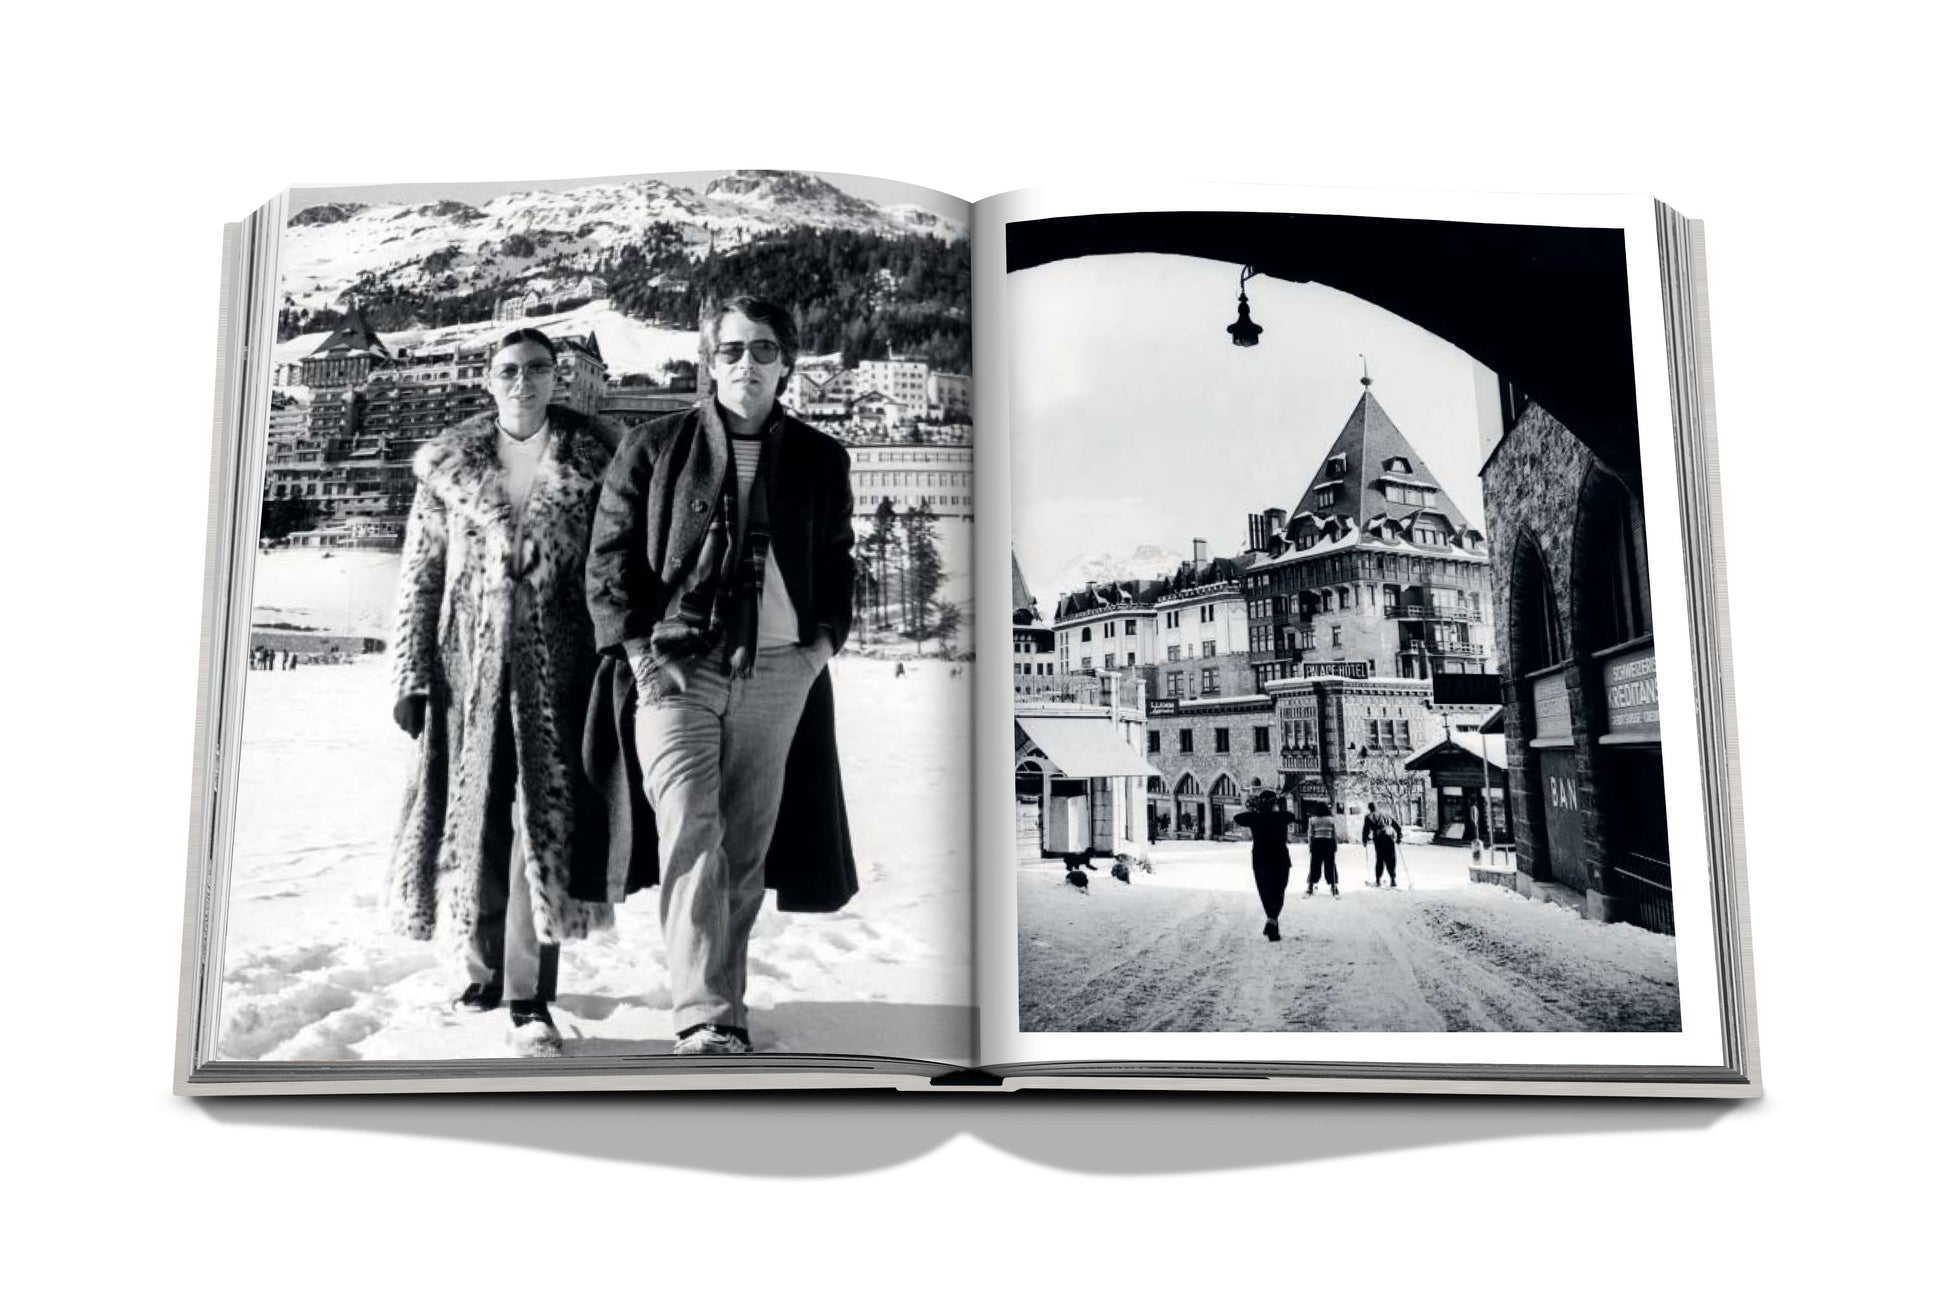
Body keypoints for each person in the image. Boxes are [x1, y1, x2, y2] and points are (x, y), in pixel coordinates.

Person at [584, 295, 858, 1057]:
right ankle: (702, 1013)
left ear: (786, 364)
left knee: (743, 849)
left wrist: (818, 649)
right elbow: (607, 565)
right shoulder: (651, 445)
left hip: (779, 671)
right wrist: (639, 655)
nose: (747, 364)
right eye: (731, 350)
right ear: (709, 361)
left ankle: (722, 1009)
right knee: (692, 834)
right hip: (676, 671)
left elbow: (838, 563)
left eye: (763, 349)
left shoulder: (821, 458)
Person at [385, 327, 621, 1059]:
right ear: (488, 380)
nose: (523, 381)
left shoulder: (599, 459)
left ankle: (529, 992)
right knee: (478, 819)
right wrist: (410, 675)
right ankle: (484, 972)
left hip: (561, 668)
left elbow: (617, 565)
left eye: (538, 369)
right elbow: (420, 573)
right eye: (509, 370)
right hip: (468, 668)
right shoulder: (449, 468)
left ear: (559, 378)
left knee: (540, 830)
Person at [1234, 788, 1299, 940]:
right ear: (1274, 803)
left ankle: (1272, 923)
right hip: (1280, 858)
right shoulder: (1280, 817)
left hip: (1261, 859)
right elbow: (1291, 815)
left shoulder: (1255, 818)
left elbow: (1239, 818)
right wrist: (1277, 806)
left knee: (1265, 892)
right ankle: (1272, 923)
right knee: (1278, 891)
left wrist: (1255, 810)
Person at [1362, 803, 1402, 887]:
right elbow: (1397, 826)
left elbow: (1366, 830)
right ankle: (1393, 879)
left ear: (1370, 808)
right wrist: (1399, 838)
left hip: (1379, 839)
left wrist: (1365, 840)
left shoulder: (1369, 816)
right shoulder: (1386, 814)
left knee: (1380, 859)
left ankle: (1378, 879)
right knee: (1391, 858)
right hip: (1390, 837)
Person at [1306, 806, 1340, 896]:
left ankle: (1310, 886)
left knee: (1315, 864)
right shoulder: (1331, 820)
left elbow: (1310, 834)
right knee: (1330, 864)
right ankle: (1333, 886)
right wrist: (1335, 845)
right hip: (1329, 842)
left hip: (1317, 843)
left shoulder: (1312, 820)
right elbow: (1335, 834)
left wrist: (1310, 846)